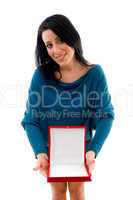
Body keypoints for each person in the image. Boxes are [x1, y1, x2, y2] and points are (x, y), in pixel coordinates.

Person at [21, 14, 114, 200]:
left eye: (60, 40)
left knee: (78, 191)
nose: (55, 50)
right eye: (49, 45)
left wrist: (93, 150)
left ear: (72, 37)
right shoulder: (41, 76)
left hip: (81, 149)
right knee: (58, 192)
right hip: (51, 149)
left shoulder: (95, 74)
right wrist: (40, 153)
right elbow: (30, 120)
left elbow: (106, 115)